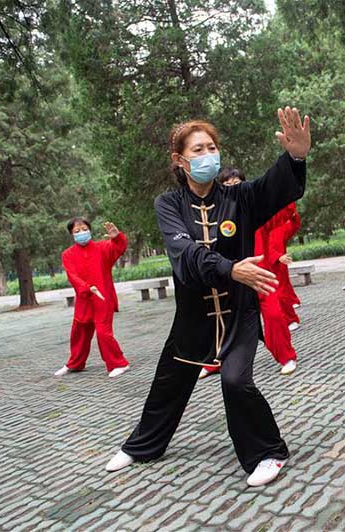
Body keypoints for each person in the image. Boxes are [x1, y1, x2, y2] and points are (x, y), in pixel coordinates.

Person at [105, 107, 311, 488]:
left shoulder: (241, 199)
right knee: (169, 381)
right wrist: (232, 268)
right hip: (193, 317)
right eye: (197, 149)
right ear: (179, 161)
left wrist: (296, 157)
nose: (207, 155)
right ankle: (144, 445)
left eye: (211, 147)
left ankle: (269, 452)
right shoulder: (169, 205)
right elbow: (187, 256)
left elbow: (276, 186)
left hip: (239, 312)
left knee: (235, 382)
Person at [198, 167, 298, 378]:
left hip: (261, 277)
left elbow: (283, 213)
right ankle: (215, 362)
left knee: (274, 316)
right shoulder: (213, 218)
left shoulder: (256, 214)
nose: (233, 190)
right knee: (221, 321)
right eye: (228, 186)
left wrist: (285, 188)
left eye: (238, 185)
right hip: (231, 279)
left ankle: (286, 356)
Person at [55, 218, 130, 378]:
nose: (81, 233)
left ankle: (119, 363)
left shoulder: (102, 247)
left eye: (84, 229)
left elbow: (118, 248)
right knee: (79, 332)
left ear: (89, 230)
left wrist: (117, 237)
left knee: (103, 333)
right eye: (77, 231)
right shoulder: (68, 254)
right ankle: (75, 364)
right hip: (84, 299)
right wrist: (86, 287)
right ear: (71, 234)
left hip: (103, 298)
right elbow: (72, 275)